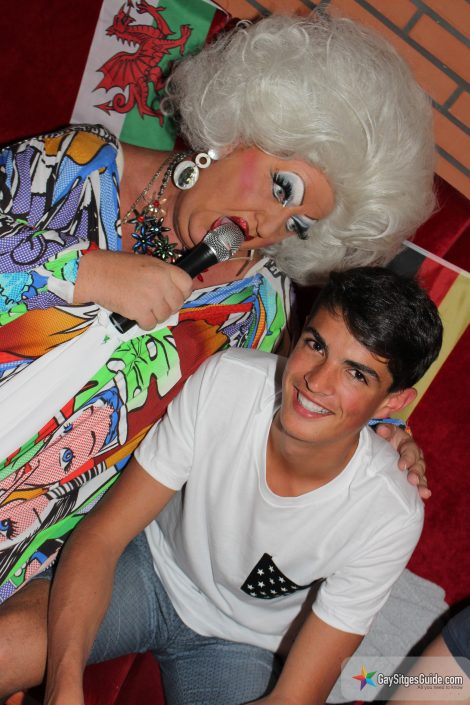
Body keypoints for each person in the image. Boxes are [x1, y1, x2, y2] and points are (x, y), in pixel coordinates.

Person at [0, 11, 434, 694]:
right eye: (282, 186)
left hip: (24, 542)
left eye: (297, 223)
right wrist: (79, 273)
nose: (268, 225)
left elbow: (293, 393)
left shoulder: (257, 305)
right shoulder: (74, 165)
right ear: (238, 127)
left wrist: (384, 431)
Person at [38, 267, 443, 705]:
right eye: (316, 345)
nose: (316, 382)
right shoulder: (229, 381)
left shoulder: (390, 512)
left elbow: (294, 698)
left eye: (356, 374)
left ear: (393, 402)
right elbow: (102, 536)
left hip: (244, 642)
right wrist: (63, 689)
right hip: (152, 565)